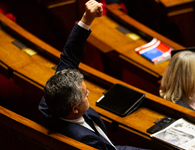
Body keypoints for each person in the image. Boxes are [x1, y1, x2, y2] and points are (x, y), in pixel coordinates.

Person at [39, 0, 150, 149]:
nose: (89, 93)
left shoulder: (51, 102)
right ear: (75, 109)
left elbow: (69, 58)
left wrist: (86, 19)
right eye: (85, 95)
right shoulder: (86, 140)